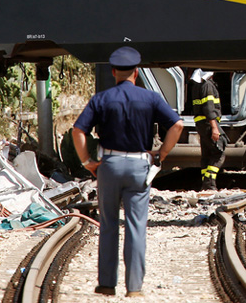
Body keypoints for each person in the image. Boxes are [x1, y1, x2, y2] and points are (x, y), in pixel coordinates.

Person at [72, 46, 184, 298]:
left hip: (109, 165)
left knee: (108, 224)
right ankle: (134, 288)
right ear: (137, 72)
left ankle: (106, 284)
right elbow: (177, 125)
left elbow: (78, 130)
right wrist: (162, 153)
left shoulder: (101, 99)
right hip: (138, 166)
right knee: (136, 226)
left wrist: (87, 161)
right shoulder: (151, 98)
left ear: (113, 72)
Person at [187, 69, 225, 191]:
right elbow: (209, 108)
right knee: (219, 153)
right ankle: (209, 183)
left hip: (201, 125)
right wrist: (214, 127)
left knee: (207, 155)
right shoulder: (207, 85)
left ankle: (205, 183)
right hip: (208, 123)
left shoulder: (196, 86)